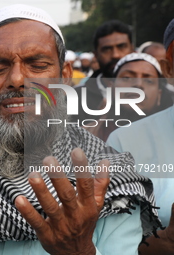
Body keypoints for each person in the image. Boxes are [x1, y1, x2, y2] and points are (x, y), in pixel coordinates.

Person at [0, 5, 161, 255]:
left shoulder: (108, 176)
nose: (16, 80)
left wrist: (78, 250)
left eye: (37, 65)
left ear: (65, 75)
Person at [107, 18, 174, 255]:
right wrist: (163, 241)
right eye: (127, 77)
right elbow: (113, 242)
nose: (138, 86)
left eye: (148, 79)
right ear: (170, 70)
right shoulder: (121, 143)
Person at [85, 52, 172, 141]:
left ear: (159, 95)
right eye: (127, 77)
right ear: (111, 88)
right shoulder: (83, 137)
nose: (138, 84)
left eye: (148, 81)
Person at [74, 20, 134, 122]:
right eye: (107, 49)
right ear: (96, 55)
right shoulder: (74, 99)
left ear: (132, 50)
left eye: (121, 47)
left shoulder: (159, 93)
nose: (115, 55)